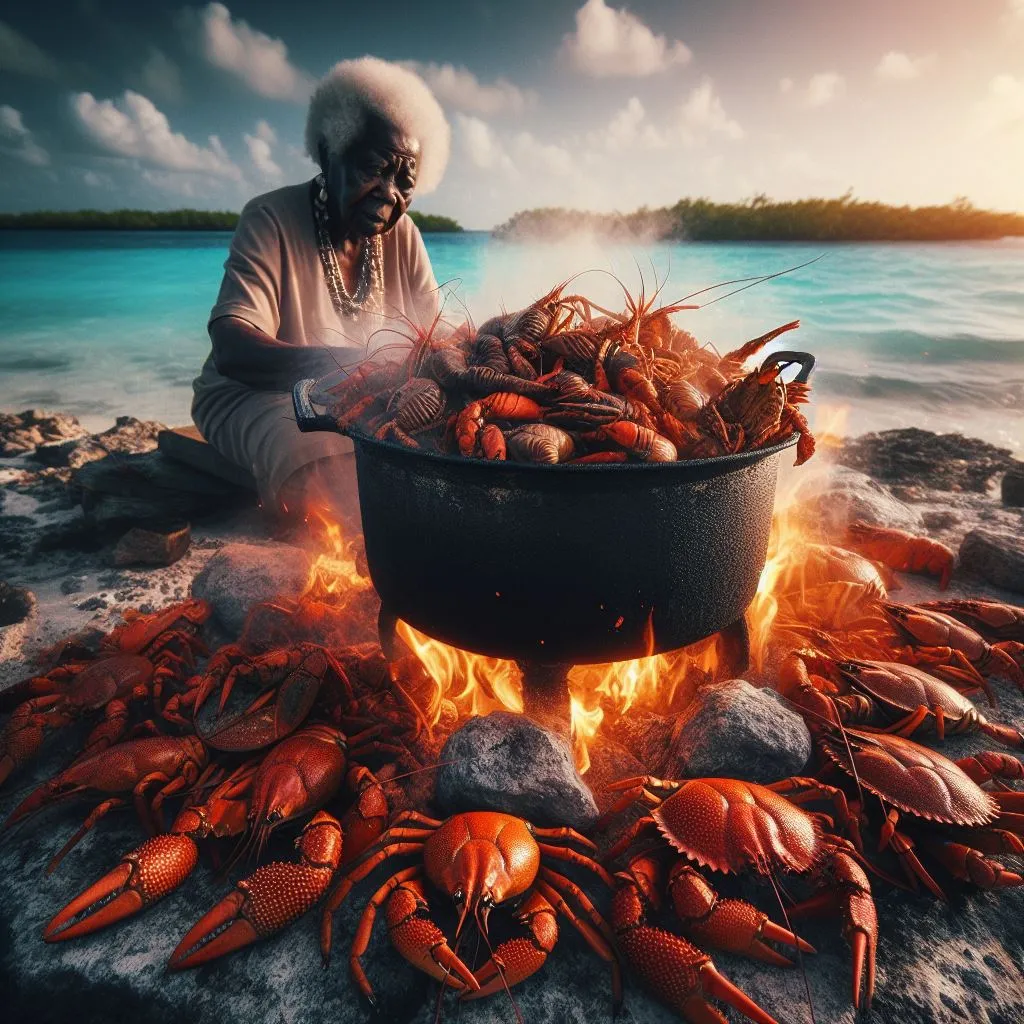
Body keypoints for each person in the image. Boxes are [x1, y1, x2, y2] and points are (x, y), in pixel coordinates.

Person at [192, 57, 450, 524]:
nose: (389, 194)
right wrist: (357, 367)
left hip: (364, 399)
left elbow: (438, 339)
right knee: (326, 459)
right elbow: (233, 348)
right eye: (375, 168)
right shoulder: (269, 218)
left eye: (404, 183)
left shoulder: (403, 233)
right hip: (256, 395)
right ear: (329, 150)